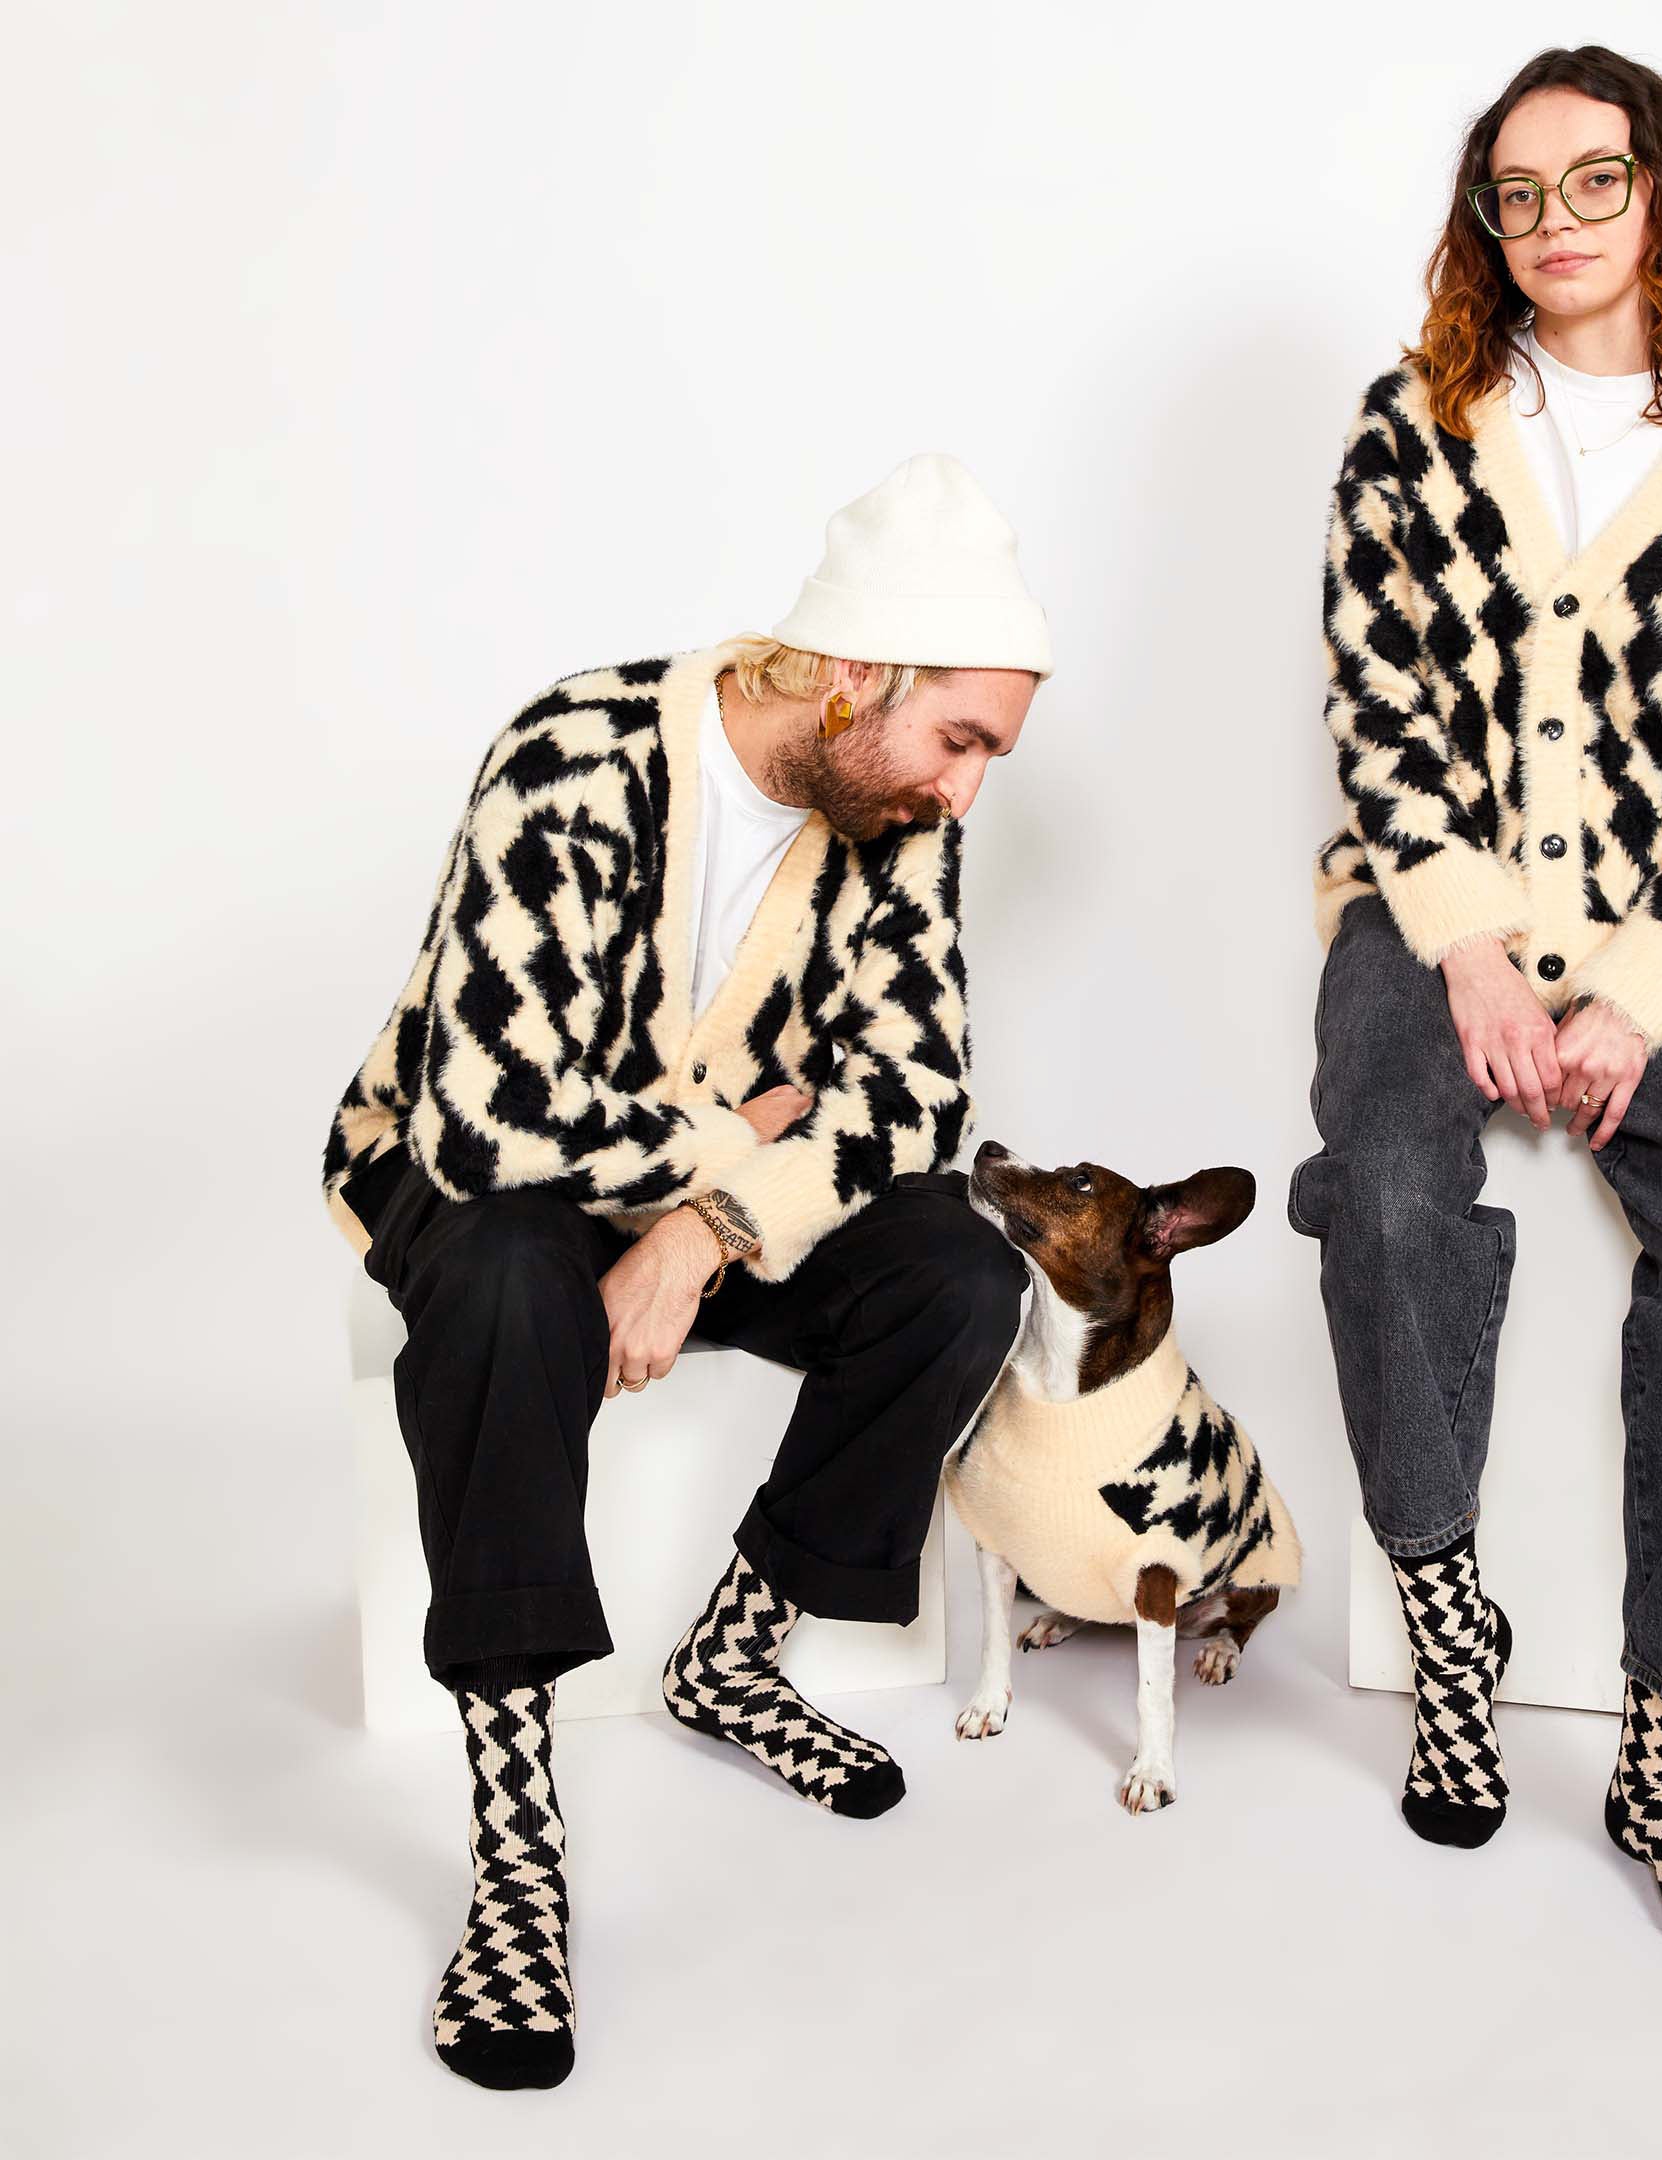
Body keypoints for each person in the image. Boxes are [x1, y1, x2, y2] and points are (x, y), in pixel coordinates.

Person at [320, 452, 1051, 2088]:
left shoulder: (894, 823)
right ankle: (519, 1850)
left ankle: (734, 1650)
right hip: (455, 1173)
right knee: (510, 1279)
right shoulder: (574, 749)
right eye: (962, 741)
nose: (968, 793)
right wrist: (741, 1140)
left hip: (676, 1198)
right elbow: (497, 1118)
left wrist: (701, 1232)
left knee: (956, 1270)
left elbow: (918, 1106)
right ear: (856, 671)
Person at [1288, 47, 1662, 1973]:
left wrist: (1634, 991)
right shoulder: (1409, 427)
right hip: (1439, 904)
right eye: (1514, 195)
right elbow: (1377, 711)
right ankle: (1451, 1613)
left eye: (1589, 184)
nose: (1550, 226)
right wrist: (1456, 939)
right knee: (1373, 1182)